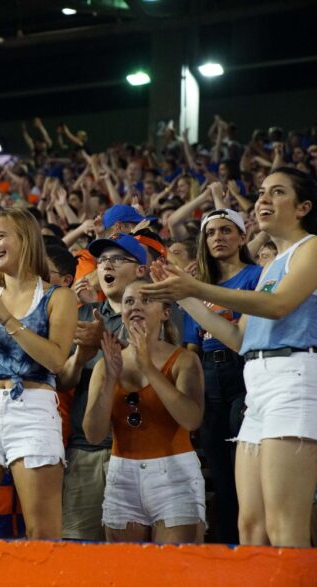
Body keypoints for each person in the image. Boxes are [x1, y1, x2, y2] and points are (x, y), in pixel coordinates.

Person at [143, 167, 317, 547]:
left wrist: (197, 285)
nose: (264, 200)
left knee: (285, 529)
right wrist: (186, 296)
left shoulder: (313, 248)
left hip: (295, 380)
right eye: (261, 192)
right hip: (259, 385)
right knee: (250, 528)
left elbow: (279, 305)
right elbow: (239, 337)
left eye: (277, 192)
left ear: (303, 206)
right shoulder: (271, 266)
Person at [0, 206, 76, 540]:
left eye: (0, 236)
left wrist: (6, 318)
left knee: (42, 531)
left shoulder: (58, 296)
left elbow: (55, 360)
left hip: (34, 409)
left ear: (25, 239)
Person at [84, 278, 206, 543]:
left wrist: (148, 366)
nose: (135, 306)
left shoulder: (184, 360)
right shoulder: (106, 366)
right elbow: (93, 435)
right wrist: (110, 380)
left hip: (176, 476)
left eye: (146, 300)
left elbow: (192, 418)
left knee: (173, 573)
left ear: (165, 313)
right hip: (122, 476)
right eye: (129, 301)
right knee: (127, 574)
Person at [56, 234, 149, 541]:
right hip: (86, 448)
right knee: (77, 549)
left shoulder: (158, 311)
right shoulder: (82, 315)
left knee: (130, 557)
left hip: (140, 450)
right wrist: (81, 356)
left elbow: (162, 368)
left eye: (117, 259)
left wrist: (111, 344)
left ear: (140, 270)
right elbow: (64, 380)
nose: (106, 264)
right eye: (102, 261)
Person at [184, 206, 261, 544]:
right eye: (211, 232)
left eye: (226, 230)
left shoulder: (257, 276)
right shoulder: (198, 286)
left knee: (248, 468)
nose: (218, 238)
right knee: (219, 469)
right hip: (208, 374)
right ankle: (230, 547)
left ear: (243, 236)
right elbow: (191, 346)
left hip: (244, 369)